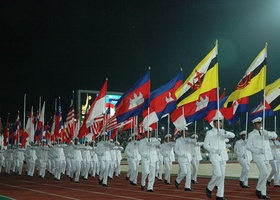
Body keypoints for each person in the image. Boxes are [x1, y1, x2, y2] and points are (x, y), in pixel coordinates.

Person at [203, 114, 235, 200]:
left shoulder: (223, 132)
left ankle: (220, 195)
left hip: (223, 156)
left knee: (222, 176)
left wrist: (224, 133)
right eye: (217, 121)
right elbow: (206, 145)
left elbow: (233, 135)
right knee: (218, 174)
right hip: (214, 156)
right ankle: (209, 187)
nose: (219, 123)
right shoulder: (209, 133)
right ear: (213, 123)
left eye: (220, 121)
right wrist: (214, 150)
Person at [246, 117, 277, 199]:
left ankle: (263, 193)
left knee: (264, 175)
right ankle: (258, 189)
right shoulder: (251, 134)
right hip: (258, 156)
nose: (260, 125)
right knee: (264, 172)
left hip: (267, 156)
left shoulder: (265, 132)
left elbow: (275, 135)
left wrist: (266, 133)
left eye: (260, 123)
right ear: (254, 125)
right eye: (258, 123)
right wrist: (257, 150)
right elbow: (248, 145)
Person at [174, 127, 196, 191]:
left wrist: (191, 140)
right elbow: (176, 150)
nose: (185, 133)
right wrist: (181, 154)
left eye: (186, 131)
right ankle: (177, 180)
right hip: (181, 159)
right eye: (183, 132)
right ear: (181, 133)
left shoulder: (189, 139)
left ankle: (187, 187)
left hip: (188, 159)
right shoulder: (178, 140)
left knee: (189, 173)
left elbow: (194, 142)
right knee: (184, 172)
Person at [139, 127, 160, 192]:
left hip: (153, 158)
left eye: (150, 133)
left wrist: (152, 144)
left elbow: (158, 143)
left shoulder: (154, 140)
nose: (149, 134)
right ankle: (143, 182)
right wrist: (144, 155)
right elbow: (140, 150)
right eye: (148, 133)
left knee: (152, 173)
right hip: (145, 159)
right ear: (145, 133)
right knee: (146, 171)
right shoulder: (142, 141)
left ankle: (150, 187)